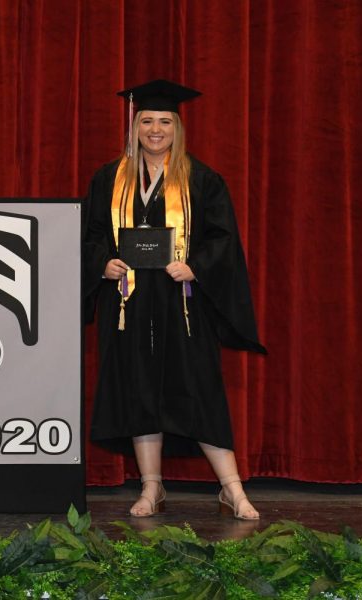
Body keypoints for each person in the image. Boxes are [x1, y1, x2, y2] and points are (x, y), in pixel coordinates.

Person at [82, 80, 267, 520]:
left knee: (199, 387)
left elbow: (224, 238)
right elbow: (88, 234)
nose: (155, 129)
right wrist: (102, 262)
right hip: (129, 304)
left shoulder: (202, 179)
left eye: (164, 121)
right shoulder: (110, 178)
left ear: (177, 127)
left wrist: (197, 265)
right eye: (146, 120)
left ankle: (232, 489)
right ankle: (152, 487)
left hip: (183, 303)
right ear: (135, 126)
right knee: (140, 389)